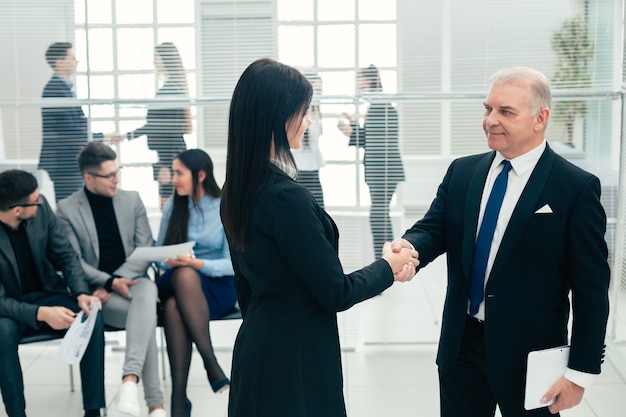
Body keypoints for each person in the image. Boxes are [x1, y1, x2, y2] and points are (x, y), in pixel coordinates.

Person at [391, 66, 610, 417]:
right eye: (487, 108)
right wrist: (409, 247)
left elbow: (592, 290)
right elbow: (433, 228)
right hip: (461, 346)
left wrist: (580, 373)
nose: (490, 120)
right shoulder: (462, 172)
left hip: (531, 357)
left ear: (540, 118)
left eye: (506, 112)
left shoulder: (575, 188)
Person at [220, 58, 418, 417]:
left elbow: (244, 285)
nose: (308, 120)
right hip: (295, 355)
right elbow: (335, 291)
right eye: (303, 110)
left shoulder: (237, 188)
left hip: (257, 343)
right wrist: (388, 267)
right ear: (277, 117)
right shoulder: (286, 199)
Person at [56, 142, 166, 417]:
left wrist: (115, 280)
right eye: (110, 175)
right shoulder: (66, 210)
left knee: (147, 290)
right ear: (88, 177)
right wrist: (106, 284)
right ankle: (156, 405)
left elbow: (144, 250)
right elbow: (74, 261)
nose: (117, 179)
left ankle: (130, 380)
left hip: (131, 287)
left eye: (118, 172)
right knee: (146, 314)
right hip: (99, 297)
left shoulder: (132, 199)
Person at [0, 169, 105, 417]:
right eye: (35, 200)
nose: (40, 202)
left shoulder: (40, 206)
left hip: (46, 291)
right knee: (1, 332)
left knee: (90, 315)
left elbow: (66, 254)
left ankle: (93, 410)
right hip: (10, 307)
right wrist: (40, 314)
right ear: (17, 210)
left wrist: (80, 292)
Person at [155, 149, 236, 417]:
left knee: (174, 309)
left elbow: (233, 263)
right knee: (183, 277)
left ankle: (179, 400)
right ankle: (211, 364)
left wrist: (197, 264)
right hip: (175, 277)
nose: (173, 179)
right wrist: (174, 261)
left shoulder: (226, 205)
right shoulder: (173, 206)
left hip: (215, 286)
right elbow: (158, 255)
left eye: (179, 173)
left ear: (200, 175)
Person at [337, 64, 405, 259]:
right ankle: (390, 258)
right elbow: (374, 139)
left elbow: (377, 142)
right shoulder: (379, 107)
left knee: (378, 217)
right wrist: (354, 128)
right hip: (380, 170)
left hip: (383, 171)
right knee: (380, 216)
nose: (359, 87)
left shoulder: (380, 107)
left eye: (361, 82)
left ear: (368, 82)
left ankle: (386, 260)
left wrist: (353, 131)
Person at [38, 42, 122, 202]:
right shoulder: (55, 89)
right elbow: (70, 130)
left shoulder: (63, 89)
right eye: (73, 58)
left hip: (68, 162)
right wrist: (103, 137)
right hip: (64, 164)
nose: (76, 62)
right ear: (59, 62)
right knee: (71, 210)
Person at [126, 42, 191, 210]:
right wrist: (127, 136)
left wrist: (166, 164)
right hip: (170, 155)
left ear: (166, 60)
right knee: (170, 207)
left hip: (169, 155)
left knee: (168, 207)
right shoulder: (172, 87)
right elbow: (155, 125)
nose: (154, 62)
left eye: (157, 57)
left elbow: (170, 130)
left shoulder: (171, 90)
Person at [292, 73, 325, 207]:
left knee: (319, 207)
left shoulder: (315, 109)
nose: (319, 93)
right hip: (303, 167)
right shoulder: (299, 112)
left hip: (314, 166)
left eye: (320, 89)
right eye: (316, 89)